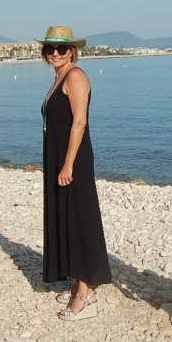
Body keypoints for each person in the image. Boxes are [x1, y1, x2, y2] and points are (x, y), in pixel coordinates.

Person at [39, 25, 111, 321]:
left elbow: (79, 122)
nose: (55, 53)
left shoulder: (76, 76)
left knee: (80, 219)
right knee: (67, 217)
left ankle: (87, 291)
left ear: (73, 51)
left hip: (74, 158)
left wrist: (68, 163)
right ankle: (77, 280)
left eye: (62, 48)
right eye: (50, 48)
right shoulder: (58, 78)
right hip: (59, 156)